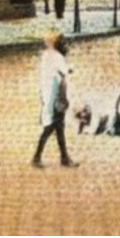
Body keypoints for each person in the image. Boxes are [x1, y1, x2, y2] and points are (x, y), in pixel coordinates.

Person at [32, 30, 77, 168]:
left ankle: (64, 157)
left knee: (58, 127)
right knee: (52, 127)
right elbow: (63, 74)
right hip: (57, 98)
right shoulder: (57, 57)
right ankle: (37, 157)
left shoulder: (46, 56)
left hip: (48, 96)